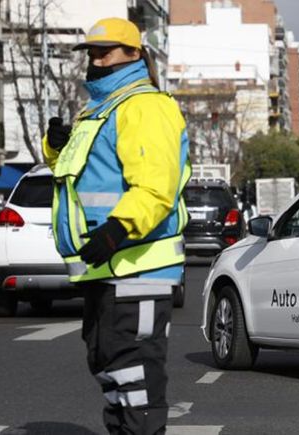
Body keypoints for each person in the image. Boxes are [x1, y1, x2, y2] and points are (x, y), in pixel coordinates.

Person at [43, 17, 190, 434]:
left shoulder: (144, 106)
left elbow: (156, 186)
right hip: (107, 268)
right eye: (92, 52)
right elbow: (78, 176)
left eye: (105, 52)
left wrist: (117, 230)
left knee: (135, 373)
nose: (96, 60)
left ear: (134, 54)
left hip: (137, 267)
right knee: (110, 367)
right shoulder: (99, 109)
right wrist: (54, 146)